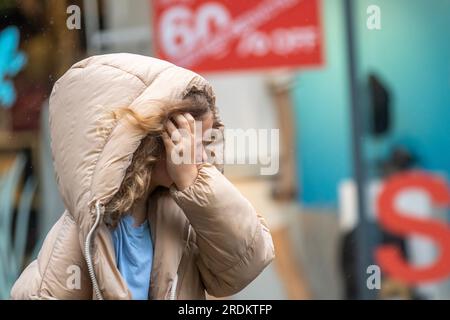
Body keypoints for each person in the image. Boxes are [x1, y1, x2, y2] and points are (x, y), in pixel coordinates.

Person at [10, 53, 275, 300]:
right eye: (191, 144)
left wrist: (194, 183)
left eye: (203, 145)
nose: (202, 160)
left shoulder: (183, 215)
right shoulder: (80, 239)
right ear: (147, 143)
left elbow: (245, 264)